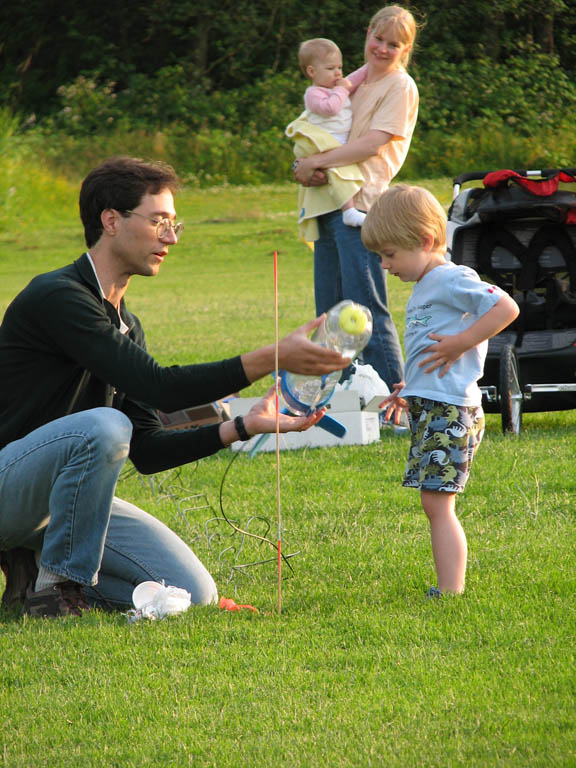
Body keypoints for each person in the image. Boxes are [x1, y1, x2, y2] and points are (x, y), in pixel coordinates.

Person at [0, 156, 349, 618]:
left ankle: (33, 578)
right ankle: (56, 588)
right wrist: (272, 357)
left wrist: (241, 427)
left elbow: (145, 449)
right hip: (8, 487)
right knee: (104, 426)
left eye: (174, 223)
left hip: (65, 504)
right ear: (111, 221)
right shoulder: (59, 296)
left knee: (189, 592)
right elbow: (159, 387)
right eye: (158, 221)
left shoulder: (128, 324)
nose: (171, 236)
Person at [362, 184, 520, 595]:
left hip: (452, 412)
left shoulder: (451, 278)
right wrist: (410, 386)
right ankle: (448, 586)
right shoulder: (427, 286)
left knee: (437, 503)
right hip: (433, 404)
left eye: (390, 254)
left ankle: (450, 590)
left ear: (426, 241)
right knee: (434, 502)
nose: (384, 265)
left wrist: (463, 341)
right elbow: (431, 351)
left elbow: (506, 307)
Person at [293, 5, 419, 392]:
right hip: (329, 201)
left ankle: (394, 403)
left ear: (405, 48)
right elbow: (321, 129)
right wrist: (303, 164)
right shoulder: (349, 83)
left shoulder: (400, 86)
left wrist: (319, 161)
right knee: (331, 314)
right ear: (367, 34)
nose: (382, 48)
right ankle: (339, 397)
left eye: (393, 44)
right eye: (377, 39)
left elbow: (372, 144)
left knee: (364, 310)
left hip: (363, 207)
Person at [286, 38, 368, 240]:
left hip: (334, 140)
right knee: (339, 172)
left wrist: (370, 67)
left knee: (339, 171)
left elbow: (354, 79)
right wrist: (342, 88)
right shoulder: (314, 93)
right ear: (312, 72)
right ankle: (348, 211)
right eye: (331, 68)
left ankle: (347, 210)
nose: (338, 73)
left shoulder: (336, 87)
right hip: (322, 142)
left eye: (340, 67)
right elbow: (330, 108)